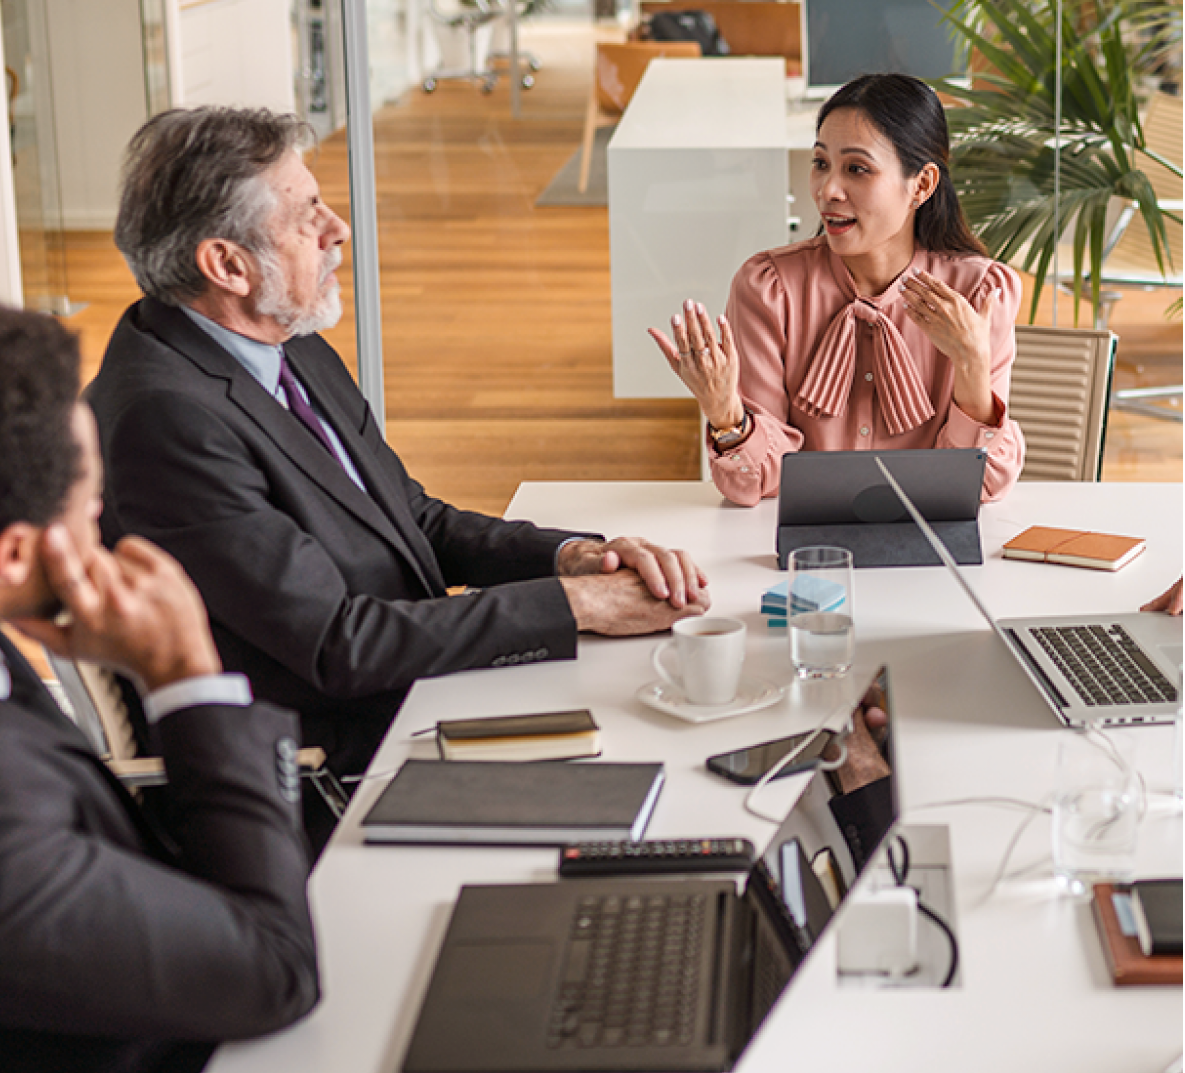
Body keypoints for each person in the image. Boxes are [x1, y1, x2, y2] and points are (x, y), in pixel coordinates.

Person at [89, 106, 710, 781]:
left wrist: (573, 558)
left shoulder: (281, 339)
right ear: (227, 265)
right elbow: (336, 643)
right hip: (337, 759)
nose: (338, 230)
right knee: (665, 744)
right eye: (307, 217)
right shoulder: (165, 422)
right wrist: (575, 607)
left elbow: (409, 517)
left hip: (416, 682)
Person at [0, 300, 319, 1073]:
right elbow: (274, 974)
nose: (104, 528)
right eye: (91, 504)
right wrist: (188, 677)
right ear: (13, 556)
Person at [649, 73, 1026, 506]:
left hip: (932, 555)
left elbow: (982, 485)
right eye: (821, 163)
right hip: (806, 554)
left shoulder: (978, 294)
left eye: (857, 169)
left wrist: (972, 367)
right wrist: (725, 414)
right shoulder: (769, 289)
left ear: (921, 185)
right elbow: (756, 484)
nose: (827, 190)